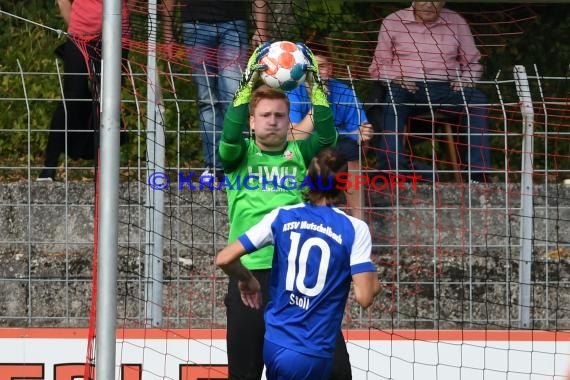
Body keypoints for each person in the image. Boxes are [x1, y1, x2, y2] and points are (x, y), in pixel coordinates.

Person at [218, 43, 354, 379]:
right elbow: (229, 134)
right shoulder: (238, 155)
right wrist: (248, 84)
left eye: (280, 115)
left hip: (298, 278)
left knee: (335, 370)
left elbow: (326, 134)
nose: (274, 122)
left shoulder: (301, 152)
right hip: (249, 275)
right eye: (265, 115)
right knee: (246, 372)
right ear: (252, 120)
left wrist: (316, 85)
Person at [215, 147, 381, 380]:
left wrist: (247, 279)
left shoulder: (281, 215)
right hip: (312, 349)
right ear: (344, 184)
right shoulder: (354, 228)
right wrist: (374, 281)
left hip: (275, 343)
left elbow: (224, 258)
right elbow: (365, 298)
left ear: (308, 179)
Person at [368, 1, 491, 183]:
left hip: (447, 88)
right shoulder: (393, 21)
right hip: (406, 87)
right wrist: (396, 77)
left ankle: (477, 174)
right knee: (392, 101)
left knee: (477, 100)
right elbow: (377, 67)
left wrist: (466, 80)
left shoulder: (456, 21)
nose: (429, 5)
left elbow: (473, 63)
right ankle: (394, 170)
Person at [162, 0, 269, 180]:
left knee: (235, 96)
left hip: (233, 23)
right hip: (195, 25)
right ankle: (213, 166)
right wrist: (167, 34)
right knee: (207, 100)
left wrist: (261, 29)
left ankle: (239, 163)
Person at [38, 0, 130, 181]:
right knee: (73, 96)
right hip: (80, 34)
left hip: (118, 35)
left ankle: (104, 168)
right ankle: (49, 165)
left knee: (107, 101)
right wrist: (76, 25)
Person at [287, 41, 373, 220]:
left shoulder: (343, 91)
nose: (317, 73)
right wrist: (318, 104)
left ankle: (359, 219)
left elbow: (361, 135)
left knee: (352, 148)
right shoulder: (294, 91)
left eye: (323, 66)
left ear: (331, 69)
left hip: (337, 150)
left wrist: (364, 136)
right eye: (312, 67)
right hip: (303, 147)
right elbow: (294, 137)